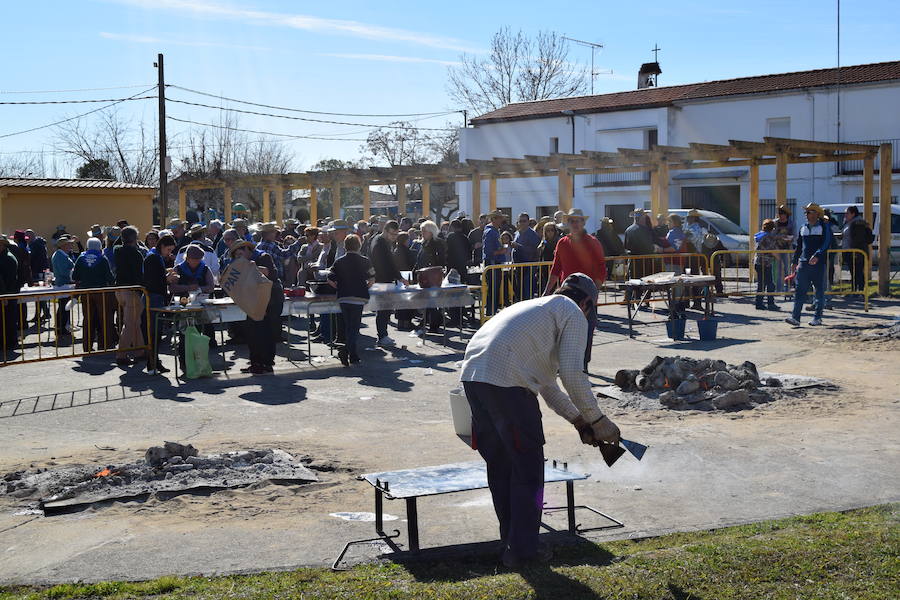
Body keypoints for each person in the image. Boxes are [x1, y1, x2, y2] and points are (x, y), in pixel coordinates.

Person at [460, 273, 620, 568]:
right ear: (587, 303)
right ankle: (524, 552)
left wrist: (579, 421)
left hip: (474, 380)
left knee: (502, 469)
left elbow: (547, 385)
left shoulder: (536, 309)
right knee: (528, 473)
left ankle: (511, 544)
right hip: (508, 387)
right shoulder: (573, 313)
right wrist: (598, 420)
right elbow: (572, 375)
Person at [544, 208, 606, 370]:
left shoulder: (593, 242)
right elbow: (556, 269)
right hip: (566, 294)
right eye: (571, 221)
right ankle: (562, 364)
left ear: (583, 222)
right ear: (568, 223)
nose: (575, 224)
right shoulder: (562, 243)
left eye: (578, 220)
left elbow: (601, 268)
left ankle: (583, 365)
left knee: (586, 329)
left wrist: (594, 291)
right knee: (562, 330)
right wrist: (547, 291)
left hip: (587, 294)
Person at [228, 240, 283, 375]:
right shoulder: (244, 263)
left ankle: (266, 363)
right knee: (252, 332)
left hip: (271, 299)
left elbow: (269, 273)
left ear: (247, 249)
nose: (239, 258)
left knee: (266, 333)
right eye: (236, 256)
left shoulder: (263, 257)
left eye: (240, 254)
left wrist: (250, 266)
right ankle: (256, 363)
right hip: (255, 300)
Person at [327, 234, 375, 366]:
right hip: (358, 298)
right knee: (354, 328)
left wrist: (339, 287)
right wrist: (365, 287)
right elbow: (372, 279)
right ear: (359, 246)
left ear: (345, 246)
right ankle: (348, 352)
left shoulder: (339, 261)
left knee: (348, 326)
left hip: (343, 297)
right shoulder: (365, 261)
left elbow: (330, 278)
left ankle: (351, 354)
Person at [785, 203, 831, 327]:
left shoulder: (824, 226)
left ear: (816, 213)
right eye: (806, 212)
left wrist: (817, 255)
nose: (806, 214)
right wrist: (795, 261)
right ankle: (795, 318)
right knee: (800, 291)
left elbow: (826, 243)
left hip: (819, 264)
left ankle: (817, 317)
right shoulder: (803, 227)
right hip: (804, 264)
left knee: (819, 291)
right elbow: (799, 246)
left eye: (809, 211)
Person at [72, 237, 116, 353]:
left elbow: (74, 276)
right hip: (101, 292)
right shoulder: (102, 259)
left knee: (88, 319)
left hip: (86, 292)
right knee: (104, 319)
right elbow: (110, 277)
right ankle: (105, 345)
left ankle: (87, 346)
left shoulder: (81, 258)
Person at [369, 220, 407, 346]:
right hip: (383, 280)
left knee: (384, 309)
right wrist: (400, 277)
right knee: (383, 309)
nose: (394, 237)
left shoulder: (378, 240)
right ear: (385, 231)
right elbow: (389, 263)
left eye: (396, 234)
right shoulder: (381, 243)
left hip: (382, 279)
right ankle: (382, 336)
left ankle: (383, 335)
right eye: (392, 234)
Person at [113, 226, 147, 366]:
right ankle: (121, 354)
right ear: (135, 238)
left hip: (119, 290)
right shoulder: (136, 254)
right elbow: (138, 275)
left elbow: (117, 244)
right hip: (132, 290)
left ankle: (140, 351)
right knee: (130, 324)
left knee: (135, 322)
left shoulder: (117, 251)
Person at [143, 234, 176, 374]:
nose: (169, 253)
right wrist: (167, 279)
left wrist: (165, 274)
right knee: (153, 332)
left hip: (155, 297)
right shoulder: (153, 258)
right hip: (153, 297)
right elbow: (152, 280)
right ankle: (152, 363)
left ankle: (155, 362)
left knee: (156, 332)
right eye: (168, 250)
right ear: (161, 246)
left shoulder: (155, 257)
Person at [415, 220, 447, 334]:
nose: (422, 233)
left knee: (432, 301)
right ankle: (427, 321)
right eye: (421, 231)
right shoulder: (424, 243)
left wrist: (439, 271)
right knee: (428, 300)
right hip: (424, 275)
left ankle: (433, 323)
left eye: (424, 231)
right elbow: (419, 259)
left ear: (431, 231)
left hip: (433, 275)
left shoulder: (437, 243)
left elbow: (441, 259)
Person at [841, 205, 872, 295]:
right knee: (854, 272)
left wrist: (856, 252)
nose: (845, 215)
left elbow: (858, 239)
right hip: (850, 251)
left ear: (853, 214)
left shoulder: (858, 223)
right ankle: (854, 290)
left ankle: (860, 291)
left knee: (858, 272)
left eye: (847, 213)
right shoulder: (848, 222)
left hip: (857, 252)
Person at [51, 235, 76, 341]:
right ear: (63, 246)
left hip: (64, 284)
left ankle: (61, 327)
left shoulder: (61, 254)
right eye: (69, 244)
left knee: (63, 306)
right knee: (63, 307)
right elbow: (63, 271)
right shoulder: (60, 256)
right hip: (63, 284)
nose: (71, 246)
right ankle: (61, 328)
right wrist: (73, 275)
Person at [482, 210, 507, 315]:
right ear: (494, 219)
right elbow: (488, 252)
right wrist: (501, 251)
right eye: (499, 218)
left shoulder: (495, 231)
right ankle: (490, 312)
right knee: (493, 289)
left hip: (495, 263)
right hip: (492, 263)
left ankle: (492, 311)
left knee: (495, 289)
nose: (501, 220)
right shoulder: (490, 232)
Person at [511, 212, 540, 301]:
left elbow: (534, 250)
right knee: (520, 292)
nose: (522, 223)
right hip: (518, 266)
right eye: (520, 221)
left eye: (524, 221)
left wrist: (518, 246)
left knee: (527, 292)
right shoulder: (517, 233)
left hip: (529, 267)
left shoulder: (532, 234)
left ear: (528, 222)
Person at [0, 236, 21, 355]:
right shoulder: (5, 256)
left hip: (7, 294)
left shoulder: (8, 258)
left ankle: (9, 343)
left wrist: (4, 295)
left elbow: (8, 279)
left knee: (8, 320)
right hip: (7, 293)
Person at [392, 231, 417, 331]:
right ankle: (407, 322)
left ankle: (400, 322)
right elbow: (412, 264)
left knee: (400, 300)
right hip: (407, 277)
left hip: (398, 277)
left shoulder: (396, 250)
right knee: (408, 300)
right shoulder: (407, 251)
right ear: (405, 240)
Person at [753, 220, 779, 311]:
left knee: (761, 284)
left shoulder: (759, 235)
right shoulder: (769, 237)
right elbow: (772, 250)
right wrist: (779, 259)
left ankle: (759, 303)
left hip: (757, 262)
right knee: (770, 284)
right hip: (766, 263)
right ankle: (770, 303)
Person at [773, 205, 794, 294]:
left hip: (787, 249)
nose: (781, 215)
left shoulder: (791, 223)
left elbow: (793, 236)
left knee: (787, 270)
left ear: (786, 214)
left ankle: (787, 289)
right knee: (778, 270)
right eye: (779, 213)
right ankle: (778, 289)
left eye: (783, 213)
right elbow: (772, 235)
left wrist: (788, 238)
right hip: (777, 249)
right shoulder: (775, 223)